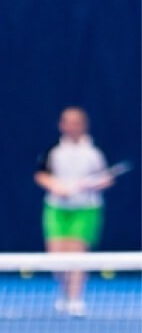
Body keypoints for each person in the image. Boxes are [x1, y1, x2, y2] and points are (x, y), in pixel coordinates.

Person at [34, 107, 114, 316]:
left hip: (86, 209)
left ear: (84, 125)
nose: (72, 126)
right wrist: (57, 187)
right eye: (67, 122)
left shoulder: (94, 153)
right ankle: (65, 292)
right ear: (61, 125)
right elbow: (41, 174)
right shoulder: (54, 151)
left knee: (77, 254)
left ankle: (75, 297)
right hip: (57, 209)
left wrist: (93, 185)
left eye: (76, 122)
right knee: (56, 257)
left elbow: (106, 178)